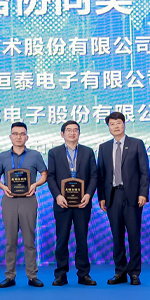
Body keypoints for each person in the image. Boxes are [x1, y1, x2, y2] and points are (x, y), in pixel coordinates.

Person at [97, 111, 150, 286]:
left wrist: (143, 193)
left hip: (133, 196)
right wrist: (102, 197)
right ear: (108, 127)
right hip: (113, 196)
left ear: (124, 124)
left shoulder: (136, 144)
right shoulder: (104, 147)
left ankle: (134, 272)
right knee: (117, 236)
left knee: (133, 235)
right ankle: (120, 272)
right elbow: (101, 175)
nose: (116, 126)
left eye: (118, 123)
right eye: (112, 124)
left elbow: (144, 171)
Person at [0, 122, 48, 288]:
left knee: (29, 240)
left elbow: (44, 174)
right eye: (15, 134)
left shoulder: (35, 155)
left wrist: (35, 185)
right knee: (10, 241)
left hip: (28, 200)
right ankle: (10, 276)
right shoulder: (3, 156)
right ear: (10, 137)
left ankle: (32, 276)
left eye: (22, 134)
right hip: (9, 200)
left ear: (27, 137)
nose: (18, 137)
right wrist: (3, 187)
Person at [46, 120, 98, 286]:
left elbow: (94, 176)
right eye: (68, 130)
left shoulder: (88, 152)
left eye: (75, 130)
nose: (72, 133)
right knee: (62, 239)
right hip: (62, 203)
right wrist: (57, 196)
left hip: (82, 203)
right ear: (62, 134)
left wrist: (88, 195)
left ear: (79, 133)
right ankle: (61, 274)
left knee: (82, 239)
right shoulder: (54, 152)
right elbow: (51, 176)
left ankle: (84, 274)